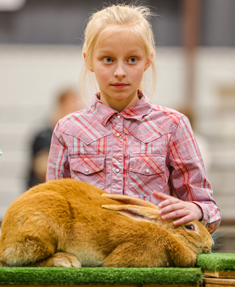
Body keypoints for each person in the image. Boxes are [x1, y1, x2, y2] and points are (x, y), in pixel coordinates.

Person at [46, 4, 221, 234]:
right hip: (87, 264)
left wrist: (196, 210)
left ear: (148, 60)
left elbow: (209, 209)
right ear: (89, 60)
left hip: (154, 262)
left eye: (132, 59)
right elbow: (50, 206)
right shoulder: (67, 130)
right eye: (108, 59)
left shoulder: (174, 126)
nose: (120, 71)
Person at [27, 89, 82, 188]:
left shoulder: (77, 135)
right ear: (62, 105)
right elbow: (43, 168)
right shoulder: (44, 136)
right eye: (73, 105)